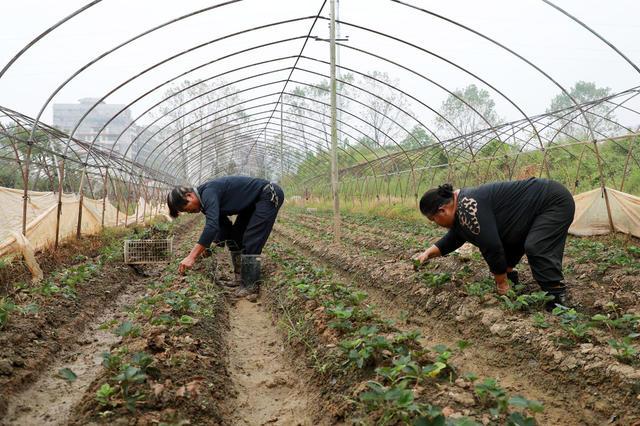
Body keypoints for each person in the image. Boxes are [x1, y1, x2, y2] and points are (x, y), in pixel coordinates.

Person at [415, 177, 575, 311]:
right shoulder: (460, 206)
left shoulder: (468, 208)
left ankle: (557, 298)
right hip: (530, 211)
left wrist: (501, 282)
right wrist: (429, 252)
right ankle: (512, 288)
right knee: (509, 237)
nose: (436, 223)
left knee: (537, 247)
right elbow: (455, 236)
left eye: (433, 219)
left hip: (553, 201)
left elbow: (491, 247)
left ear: (443, 210)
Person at [167, 176, 284, 300]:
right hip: (252, 203)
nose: (189, 212)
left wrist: (192, 256)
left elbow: (211, 226)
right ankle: (240, 279)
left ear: (189, 196)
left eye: (186, 209)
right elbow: (224, 225)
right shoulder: (205, 202)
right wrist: (214, 243)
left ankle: (250, 286)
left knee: (252, 239)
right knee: (234, 237)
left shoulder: (208, 192)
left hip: (267, 195)